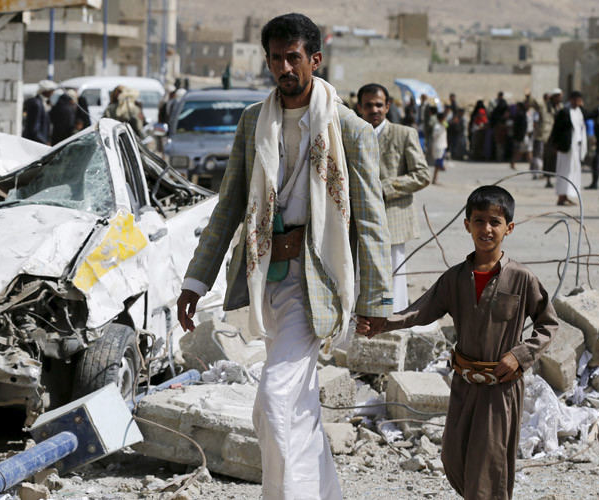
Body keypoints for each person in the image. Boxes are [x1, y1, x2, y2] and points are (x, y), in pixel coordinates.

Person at [176, 13, 393, 499]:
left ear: (314, 59)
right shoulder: (255, 120)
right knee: (292, 404)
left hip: (315, 279)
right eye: (276, 58)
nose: (284, 67)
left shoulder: (350, 129)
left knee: (273, 399)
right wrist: (195, 282)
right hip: (263, 275)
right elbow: (230, 204)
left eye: (293, 57)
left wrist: (375, 302)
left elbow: (372, 220)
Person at [358, 185, 557, 500]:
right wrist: (382, 324)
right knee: (454, 459)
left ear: (510, 228)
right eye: (479, 221)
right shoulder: (454, 278)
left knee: (489, 468)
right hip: (464, 383)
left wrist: (520, 356)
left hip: (500, 387)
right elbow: (419, 311)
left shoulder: (521, 278)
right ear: (467, 225)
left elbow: (548, 324)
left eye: (495, 222)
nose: (486, 229)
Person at [356, 83, 429, 312]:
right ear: (359, 107)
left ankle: (394, 318)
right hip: (359, 220)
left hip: (393, 220)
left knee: (394, 273)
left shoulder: (404, 134)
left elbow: (422, 175)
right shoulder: (352, 134)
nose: (374, 110)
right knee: (360, 272)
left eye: (379, 105)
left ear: (388, 106)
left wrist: (384, 187)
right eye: (368, 105)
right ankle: (362, 320)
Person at [549, 91, 586, 206]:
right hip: (565, 148)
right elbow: (556, 129)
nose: (577, 102)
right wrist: (555, 144)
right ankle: (561, 197)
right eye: (575, 100)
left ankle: (566, 196)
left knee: (573, 172)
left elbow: (589, 116)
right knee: (564, 172)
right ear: (571, 99)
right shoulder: (564, 112)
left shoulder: (579, 112)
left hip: (575, 148)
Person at [541, 89, 564, 188]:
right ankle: (548, 179)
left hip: (559, 135)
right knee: (548, 157)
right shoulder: (546, 106)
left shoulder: (562, 107)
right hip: (549, 135)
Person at [22, 79, 56, 145]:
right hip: (35, 143)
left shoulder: (43, 102)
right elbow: (34, 128)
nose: (52, 93)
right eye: (51, 91)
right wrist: (44, 142)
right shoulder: (37, 104)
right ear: (45, 91)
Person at [431, 109, 448, 184]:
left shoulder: (442, 126)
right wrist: (441, 128)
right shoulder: (437, 126)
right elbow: (435, 135)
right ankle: (434, 179)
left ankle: (435, 179)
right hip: (439, 147)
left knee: (438, 164)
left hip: (442, 145)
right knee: (437, 165)